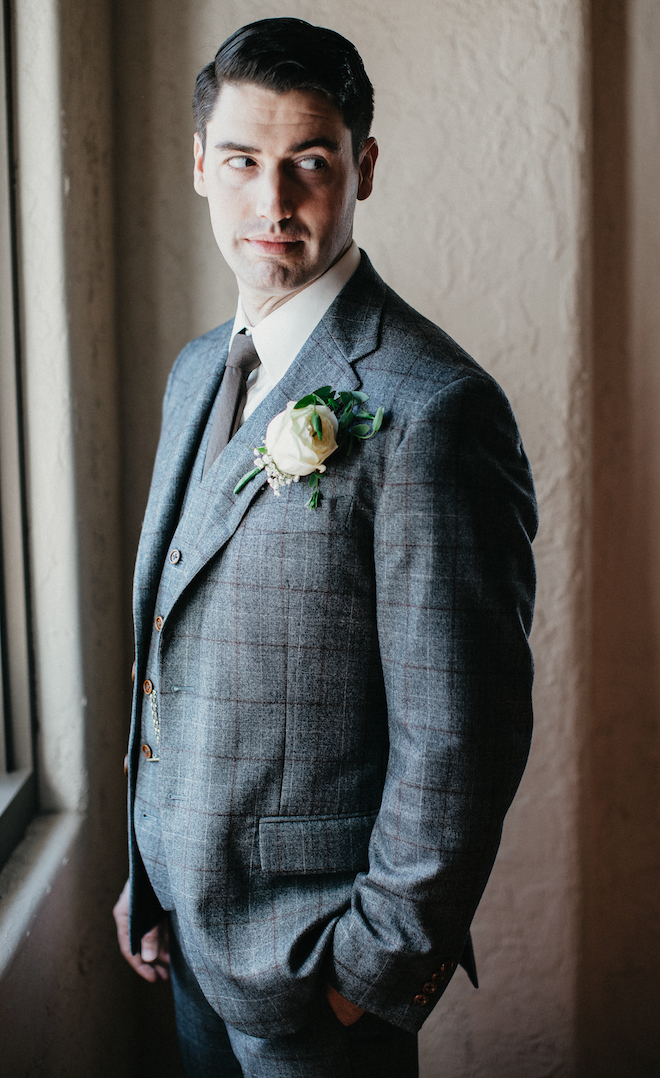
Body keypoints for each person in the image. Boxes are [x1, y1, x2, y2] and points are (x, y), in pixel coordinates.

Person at [113, 17, 537, 1078]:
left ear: (365, 168)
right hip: (183, 943)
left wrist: (369, 975)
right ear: (201, 165)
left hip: (318, 979)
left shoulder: (436, 409)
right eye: (246, 162)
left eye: (311, 162)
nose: (274, 201)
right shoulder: (195, 370)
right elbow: (173, 644)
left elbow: (463, 737)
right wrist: (144, 874)